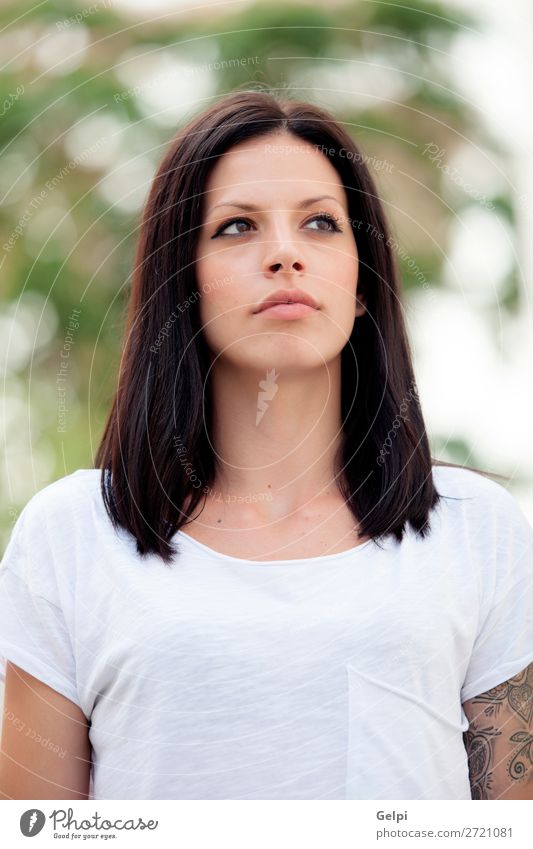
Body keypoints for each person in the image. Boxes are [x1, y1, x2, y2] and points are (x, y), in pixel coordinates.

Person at [0, 91, 532, 801]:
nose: (284, 254)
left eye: (319, 223)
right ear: (181, 279)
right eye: (236, 227)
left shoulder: (478, 530)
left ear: (363, 280)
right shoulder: (67, 535)